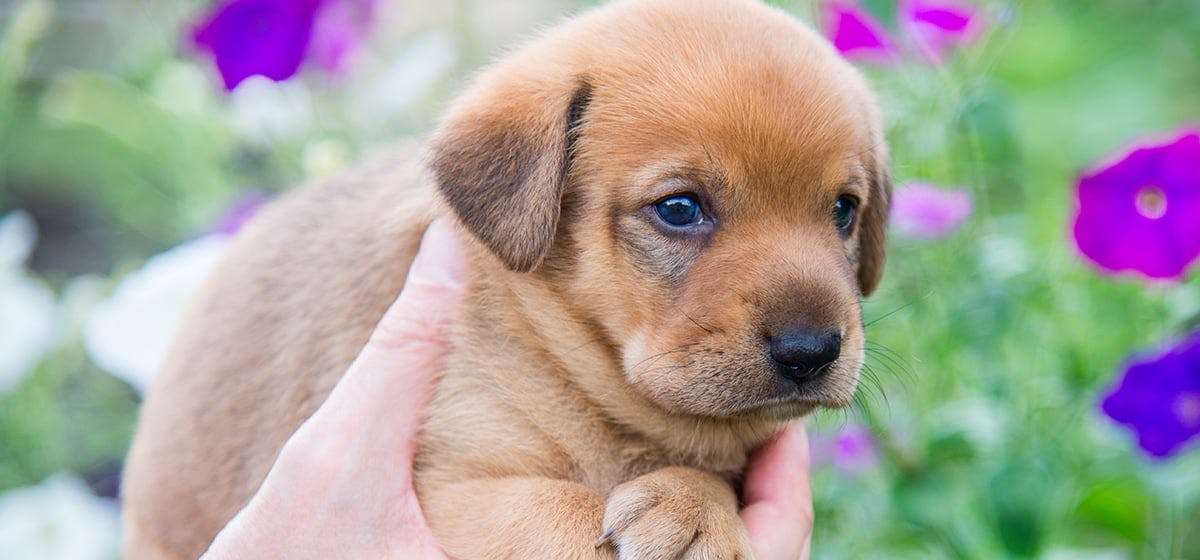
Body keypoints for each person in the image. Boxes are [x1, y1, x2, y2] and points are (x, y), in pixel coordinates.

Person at [202, 221, 814, 559]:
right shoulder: (495, 327)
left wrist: (695, 495)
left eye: (841, 210)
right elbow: (454, 508)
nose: (813, 338)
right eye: (679, 209)